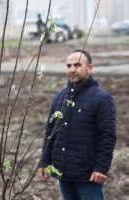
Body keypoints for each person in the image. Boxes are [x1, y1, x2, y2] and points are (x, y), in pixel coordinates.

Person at [38, 50, 116, 200]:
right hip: (64, 174)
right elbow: (50, 133)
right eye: (68, 66)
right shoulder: (60, 97)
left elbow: (107, 137)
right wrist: (45, 161)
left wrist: (101, 168)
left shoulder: (102, 99)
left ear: (90, 68)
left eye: (77, 65)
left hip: (88, 176)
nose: (72, 69)